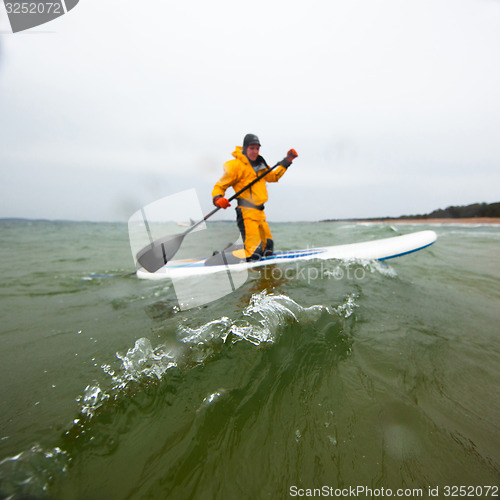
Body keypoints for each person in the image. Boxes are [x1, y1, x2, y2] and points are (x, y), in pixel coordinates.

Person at [211, 133, 297, 262]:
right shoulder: (235, 166)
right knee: (253, 254)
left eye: (257, 148)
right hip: (246, 213)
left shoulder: (260, 165)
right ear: (245, 148)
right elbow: (220, 186)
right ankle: (221, 257)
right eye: (252, 148)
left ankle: (239, 250)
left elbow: (274, 177)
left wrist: (287, 161)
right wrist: (218, 198)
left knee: (267, 249)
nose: (255, 151)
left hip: (260, 214)